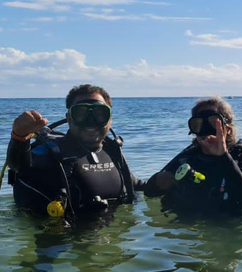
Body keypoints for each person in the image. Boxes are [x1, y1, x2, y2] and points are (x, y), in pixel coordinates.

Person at [7, 84, 143, 220]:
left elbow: (137, 186)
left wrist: (161, 181)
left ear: (110, 120)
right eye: (81, 113)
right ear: (69, 118)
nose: (90, 121)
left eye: (100, 114)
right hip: (63, 238)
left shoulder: (112, 151)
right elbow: (19, 166)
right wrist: (19, 137)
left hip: (112, 238)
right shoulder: (52, 152)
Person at [144, 96, 242, 215]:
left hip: (228, 224)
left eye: (214, 123)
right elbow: (149, 192)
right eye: (198, 124)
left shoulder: (241, 160)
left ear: (228, 129)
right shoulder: (187, 158)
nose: (205, 131)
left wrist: (223, 156)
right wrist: (161, 181)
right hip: (186, 225)